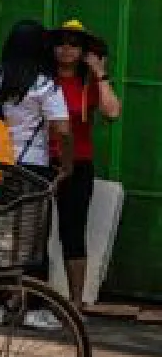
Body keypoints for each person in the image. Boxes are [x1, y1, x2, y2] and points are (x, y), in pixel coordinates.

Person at [0, 20, 72, 327]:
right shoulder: (44, 83)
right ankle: (34, 309)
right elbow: (63, 130)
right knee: (31, 238)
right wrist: (66, 165)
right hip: (30, 169)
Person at [52, 20, 121, 303]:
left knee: (73, 232)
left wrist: (100, 73)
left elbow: (112, 112)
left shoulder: (87, 84)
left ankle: (75, 303)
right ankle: (21, 299)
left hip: (78, 163)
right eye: (62, 42)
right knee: (32, 231)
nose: (67, 49)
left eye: (74, 44)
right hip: (42, 163)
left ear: (83, 51)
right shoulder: (43, 79)